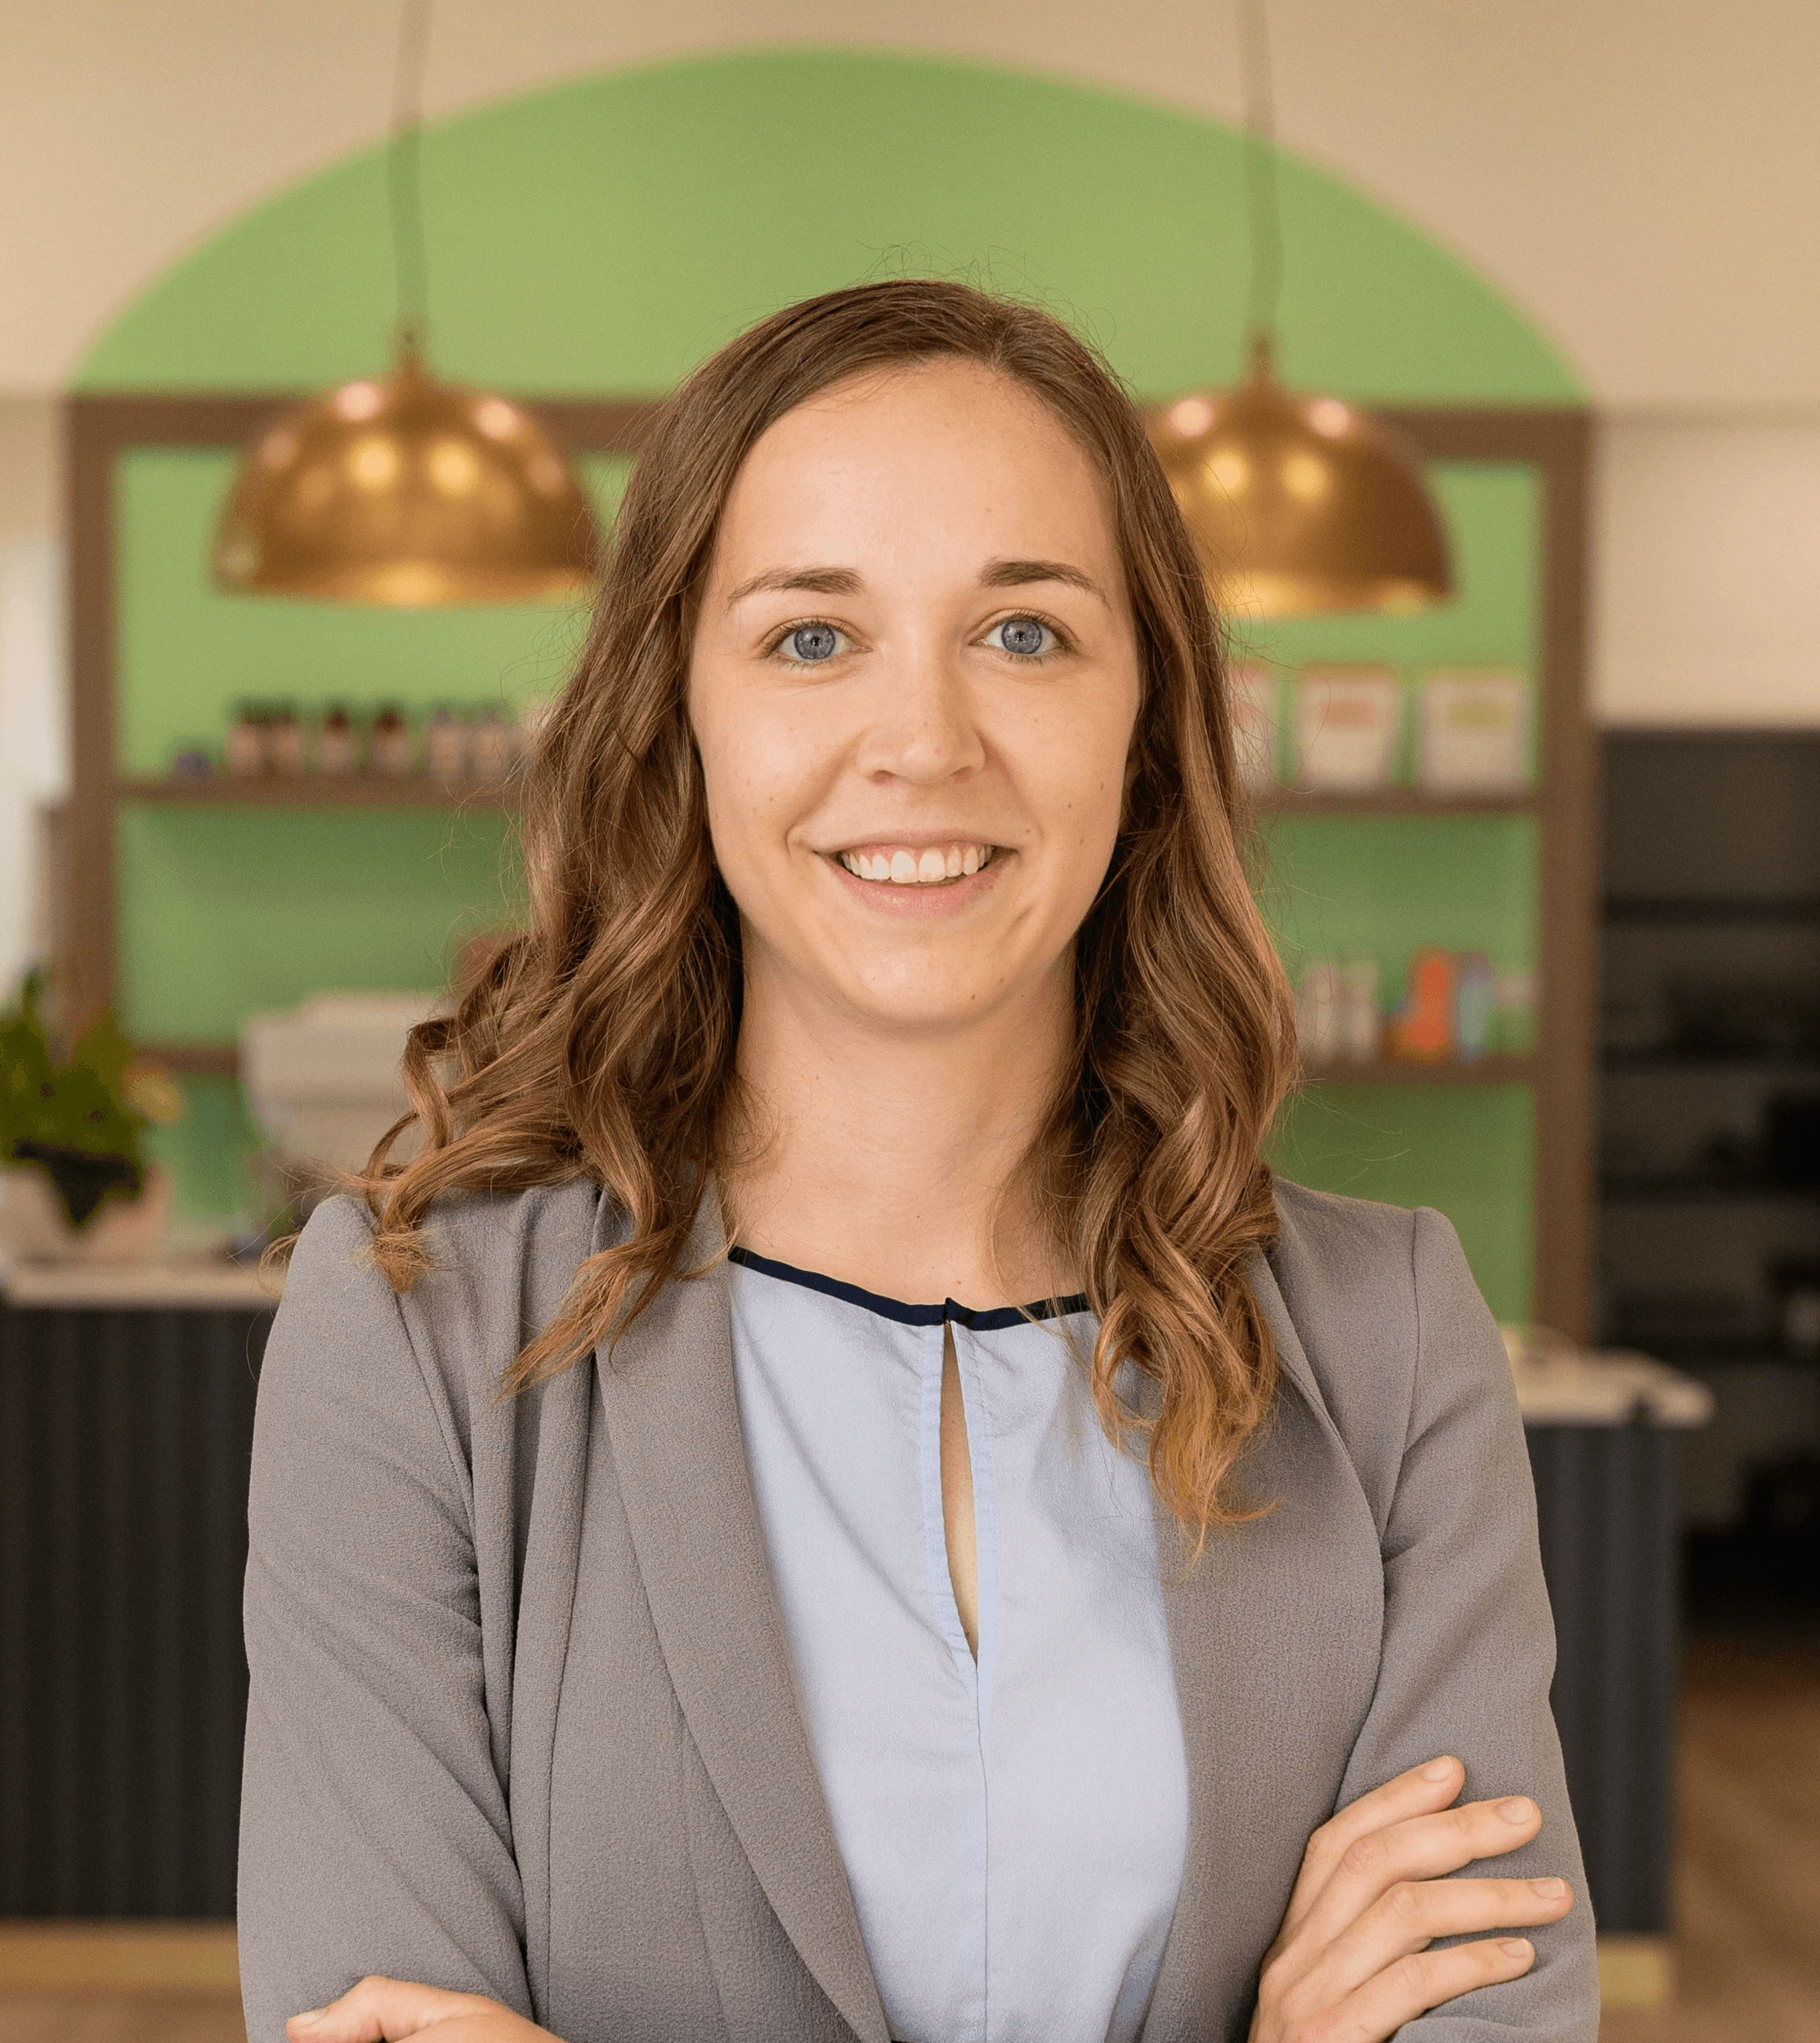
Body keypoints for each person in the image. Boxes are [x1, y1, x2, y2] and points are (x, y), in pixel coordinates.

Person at [239, 279, 1595, 2043]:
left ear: (1143, 726)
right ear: (681, 713)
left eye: (1023, 634)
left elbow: (1492, 2007)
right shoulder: (412, 1337)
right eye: (811, 637)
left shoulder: (1386, 1340)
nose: (924, 742)